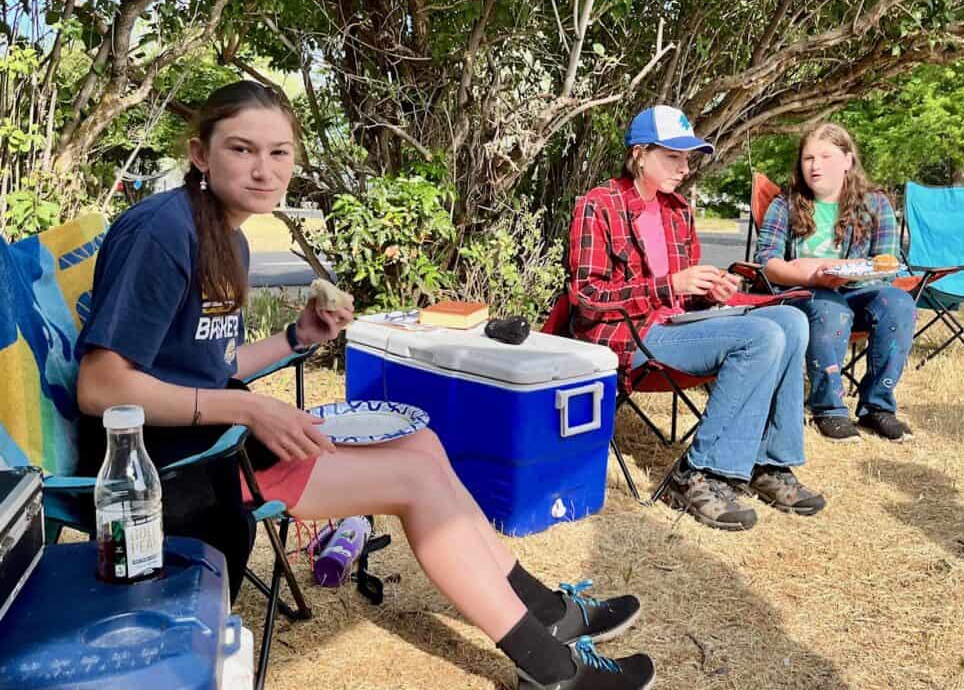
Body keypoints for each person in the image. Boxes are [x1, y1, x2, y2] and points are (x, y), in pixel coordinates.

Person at [74, 81, 655, 690]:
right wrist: (248, 409)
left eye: (279, 152)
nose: (264, 170)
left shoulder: (229, 237)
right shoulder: (163, 232)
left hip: (217, 435)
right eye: (242, 150)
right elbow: (101, 386)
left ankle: (546, 612)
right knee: (414, 481)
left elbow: (209, 366)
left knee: (423, 446)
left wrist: (297, 337)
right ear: (201, 154)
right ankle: (552, 670)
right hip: (171, 464)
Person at [568, 105, 825, 532]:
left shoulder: (678, 210)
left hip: (677, 329)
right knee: (761, 336)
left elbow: (684, 297)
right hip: (628, 338)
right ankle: (696, 473)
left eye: (687, 158)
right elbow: (588, 299)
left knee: (792, 321)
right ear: (639, 154)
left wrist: (709, 291)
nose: (685, 168)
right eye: (673, 157)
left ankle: (768, 463)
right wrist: (668, 285)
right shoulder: (600, 205)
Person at [754, 122, 916, 444]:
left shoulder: (875, 204)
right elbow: (766, 263)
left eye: (825, 157)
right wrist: (811, 275)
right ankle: (828, 408)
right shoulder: (785, 204)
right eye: (808, 158)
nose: (815, 166)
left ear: (847, 160)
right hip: (803, 293)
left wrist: (847, 270)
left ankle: (877, 407)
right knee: (831, 308)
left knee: (899, 304)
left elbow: (886, 263)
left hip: (860, 291)